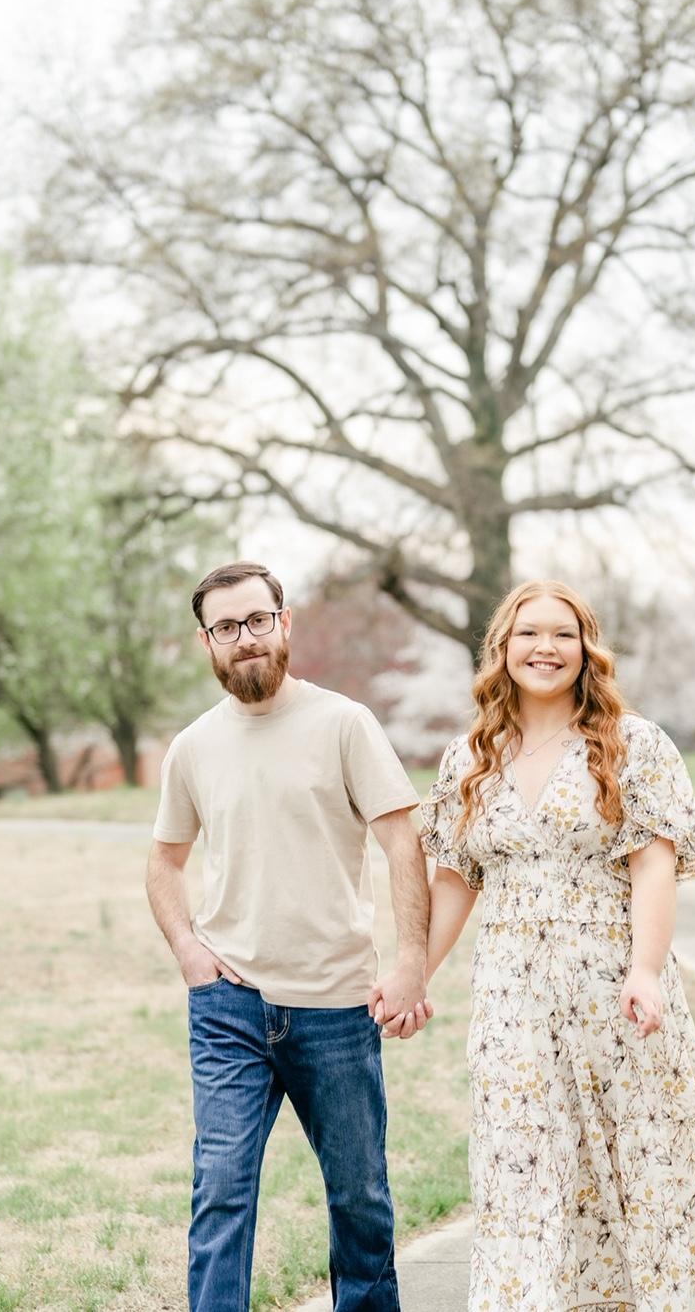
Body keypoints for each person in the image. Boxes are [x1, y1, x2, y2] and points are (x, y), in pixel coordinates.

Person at [417, 579, 695, 1311]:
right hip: (513, 996)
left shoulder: (633, 744)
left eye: (563, 634)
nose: (545, 648)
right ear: (502, 648)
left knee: (643, 1154)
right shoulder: (470, 758)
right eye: (528, 633)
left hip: (614, 982)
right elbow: (454, 879)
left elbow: (654, 866)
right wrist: (413, 973)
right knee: (523, 1161)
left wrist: (645, 969)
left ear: (587, 650)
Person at [144, 561, 433, 1312]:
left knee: (359, 1196)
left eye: (257, 620)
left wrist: (411, 962)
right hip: (229, 1007)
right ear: (206, 641)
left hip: (336, 1006)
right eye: (226, 627)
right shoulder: (193, 747)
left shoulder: (344, 724)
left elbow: (403, 843)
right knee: (221, 1192)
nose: (245, 638)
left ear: (285, 622)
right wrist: (188, 950)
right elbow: (165, 862)